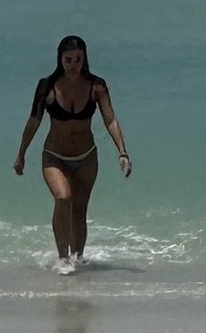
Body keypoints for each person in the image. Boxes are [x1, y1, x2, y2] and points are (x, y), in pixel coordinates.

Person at [14, 34, 129, 273]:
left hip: (86, 156)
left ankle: (77, 262)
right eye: (68, 60)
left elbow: (110, 119)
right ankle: (63, 260)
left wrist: (122, 152)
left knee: (79, 210)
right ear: (60, 59)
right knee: (63, 198)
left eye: (78, 59)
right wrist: (21, 154)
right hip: (54, 157)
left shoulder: (96, 86)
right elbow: (33, 121)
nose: (73, 65)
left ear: (84, 59)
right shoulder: (47, 86)